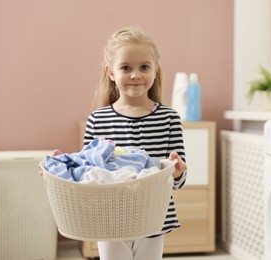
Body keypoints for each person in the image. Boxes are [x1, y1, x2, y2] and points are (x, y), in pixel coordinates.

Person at [82, 26, 187, 260]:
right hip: (109, 218)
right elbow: (87, 172)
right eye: (126, 67)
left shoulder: (169, 118)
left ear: (155, 70)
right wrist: (61, 164)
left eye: (144, 67)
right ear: (111, 72)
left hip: (154, 216)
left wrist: (178, 172)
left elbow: (178, 181)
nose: (135, 74)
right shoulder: (97, 119)